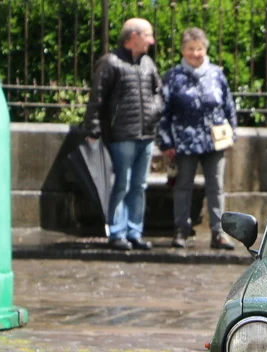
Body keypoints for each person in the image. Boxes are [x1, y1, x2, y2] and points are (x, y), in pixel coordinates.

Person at [83, 18, 162, 251]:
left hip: (146, 135)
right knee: (121, 185)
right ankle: (117, 232)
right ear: (133, 36)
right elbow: (97, 97)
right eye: (147, 35)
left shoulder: (148, 63)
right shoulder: (111, 62)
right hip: (121, 135)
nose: (151, 41)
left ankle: (134, 232)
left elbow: (159, 92)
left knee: (139, 186)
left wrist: (154, 110)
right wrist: (93, 128)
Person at [157, 28, 238, 250]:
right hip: (184, 141)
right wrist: (166, 142)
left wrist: (233, 133)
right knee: (183, 186)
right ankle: (181, 230)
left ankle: (219, 233)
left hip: (215, 140)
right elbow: (163, 112)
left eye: (199, 48)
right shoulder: (172, 77)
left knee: (216, 187)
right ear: (183, 51)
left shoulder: (216, 74)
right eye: (191, 49)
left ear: (205, 49)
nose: (195, 53)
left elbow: (228, 106)